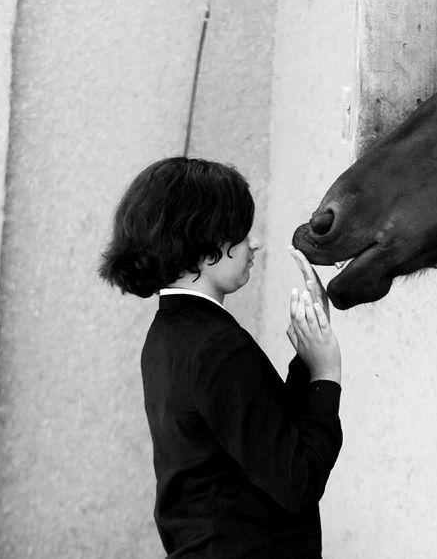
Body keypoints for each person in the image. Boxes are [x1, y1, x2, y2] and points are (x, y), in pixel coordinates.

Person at [98, 156, 342, 558]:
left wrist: (307, 355)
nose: (256, 242)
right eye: (242, 231)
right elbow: (298, 480)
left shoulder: (169, 336)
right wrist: (326, 373)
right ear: (204, 239)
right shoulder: (216, 346)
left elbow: (266, 440)